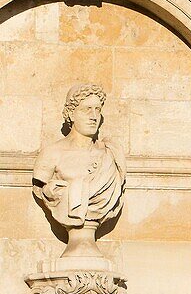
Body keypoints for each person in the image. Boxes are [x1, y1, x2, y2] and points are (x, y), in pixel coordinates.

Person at [32, 83, 126, 259]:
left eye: (98, 110)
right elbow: (40, 186)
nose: (94, 116)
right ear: (70, 114)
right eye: (87, 109)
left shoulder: (111, 154)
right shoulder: (52, 153)